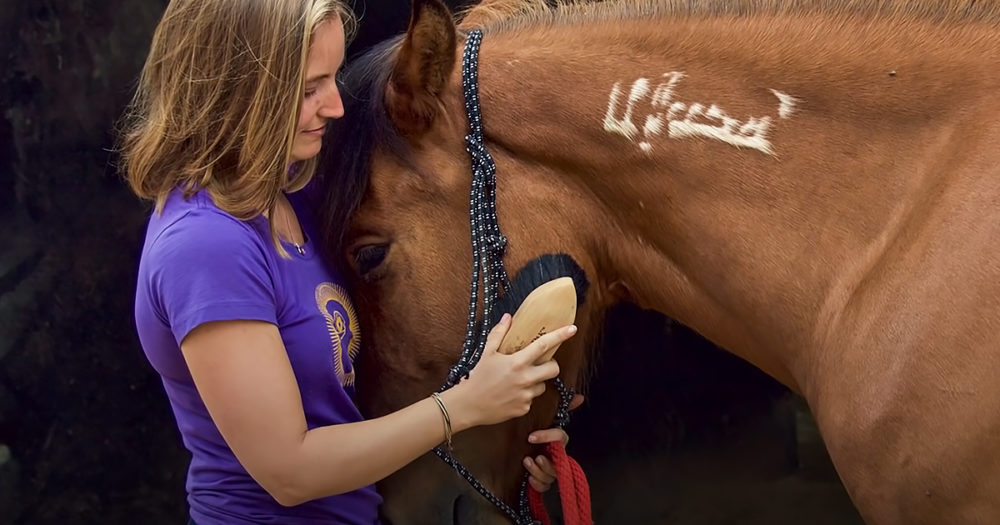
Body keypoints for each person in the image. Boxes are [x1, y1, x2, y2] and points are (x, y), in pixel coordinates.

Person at [120, 1, 578, 524]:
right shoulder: (206, 245)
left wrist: (512, 414)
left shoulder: (294, 197)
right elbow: (290, 472)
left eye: (333, 78)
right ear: (236, 89)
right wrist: (466, 406)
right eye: (309, 89)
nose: (336, 106)